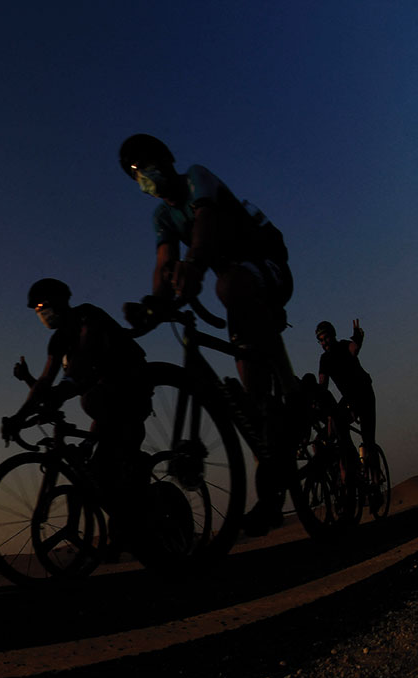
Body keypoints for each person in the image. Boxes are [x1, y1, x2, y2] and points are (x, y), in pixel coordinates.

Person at [118, 133, 294, 534]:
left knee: (228, 286)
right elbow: (165, 264)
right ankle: (270, 495)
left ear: (167, 160)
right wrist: (150, 307)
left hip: (267, 263)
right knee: (254, 404)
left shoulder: (197, 178)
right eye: (135, 173)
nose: (143, 174)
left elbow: (206, 223)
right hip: (235, 283)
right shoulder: (162, 217)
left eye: (147, 164)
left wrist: (194, 264)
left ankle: (293, 398)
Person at [3, 278, 151, 554]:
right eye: (36, 309)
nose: (41, 313)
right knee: (89, 475)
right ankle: (113, 532)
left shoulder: (87, 316)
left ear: (59, 302)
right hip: (104, 413)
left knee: (115, 465)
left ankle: (133, 520)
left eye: (42, 306)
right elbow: (46, 384)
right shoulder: (58, 341)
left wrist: (62, 388)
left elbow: (80, 363)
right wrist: (18, 415)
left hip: (130, 394)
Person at [316, 319, 376, 461]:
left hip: (364, 394)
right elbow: (322, 384)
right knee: (338, 425)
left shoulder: (343, 345)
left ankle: (374, 476)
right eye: (321, 341)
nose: (324, 343)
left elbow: (354, 349)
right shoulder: (324, 359)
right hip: (349, 398)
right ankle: (352, 460)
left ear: (333, 335)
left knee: (368, 440)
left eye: (326, 338)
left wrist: (357, 337)